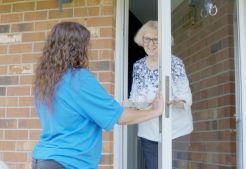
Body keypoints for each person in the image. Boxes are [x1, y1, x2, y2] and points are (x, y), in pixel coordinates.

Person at [31, 22, 164, 169]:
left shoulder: (45, 81)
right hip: (68, 162)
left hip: (42, 159)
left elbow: (71, 113)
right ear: (77, 48)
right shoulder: (78, 79)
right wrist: (155, 111)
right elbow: (120, 117)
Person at [129, 20, 193, 169]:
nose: (151, 43)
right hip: (149, 131)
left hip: (177, 131)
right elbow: (135, 96)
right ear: (142, 40)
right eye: (147, 39)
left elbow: (186, 98)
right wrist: (133, 103)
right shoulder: (138, 66)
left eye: (155, 39)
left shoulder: (175, 63)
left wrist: (167, 103)